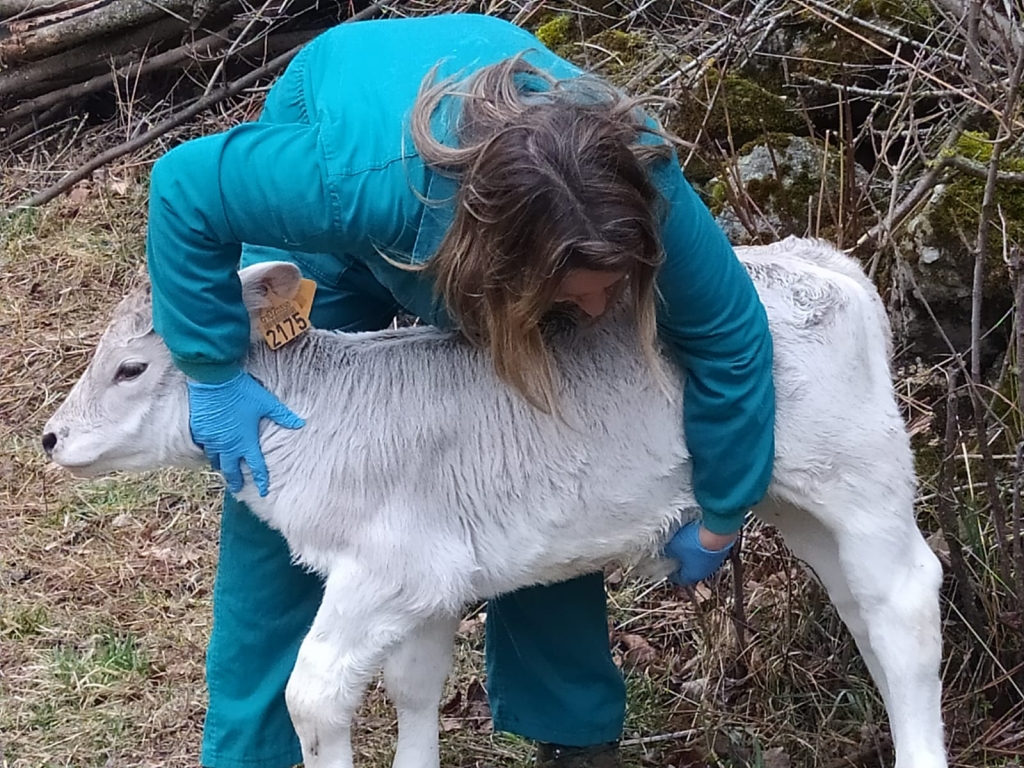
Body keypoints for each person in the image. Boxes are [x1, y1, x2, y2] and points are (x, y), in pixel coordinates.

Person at [144, 12, 775, 768]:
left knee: (533, 456)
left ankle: (575, 734)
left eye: (615, 287)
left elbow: (733, 337)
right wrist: (214, 370)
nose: (603, 311)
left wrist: (724, 507)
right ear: (503, 267)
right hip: (355, 189)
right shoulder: (350, 185)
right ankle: (250, 752)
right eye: (581, 293)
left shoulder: (643, 183)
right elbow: (183, 190)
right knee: (287, 462)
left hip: (494, 213)